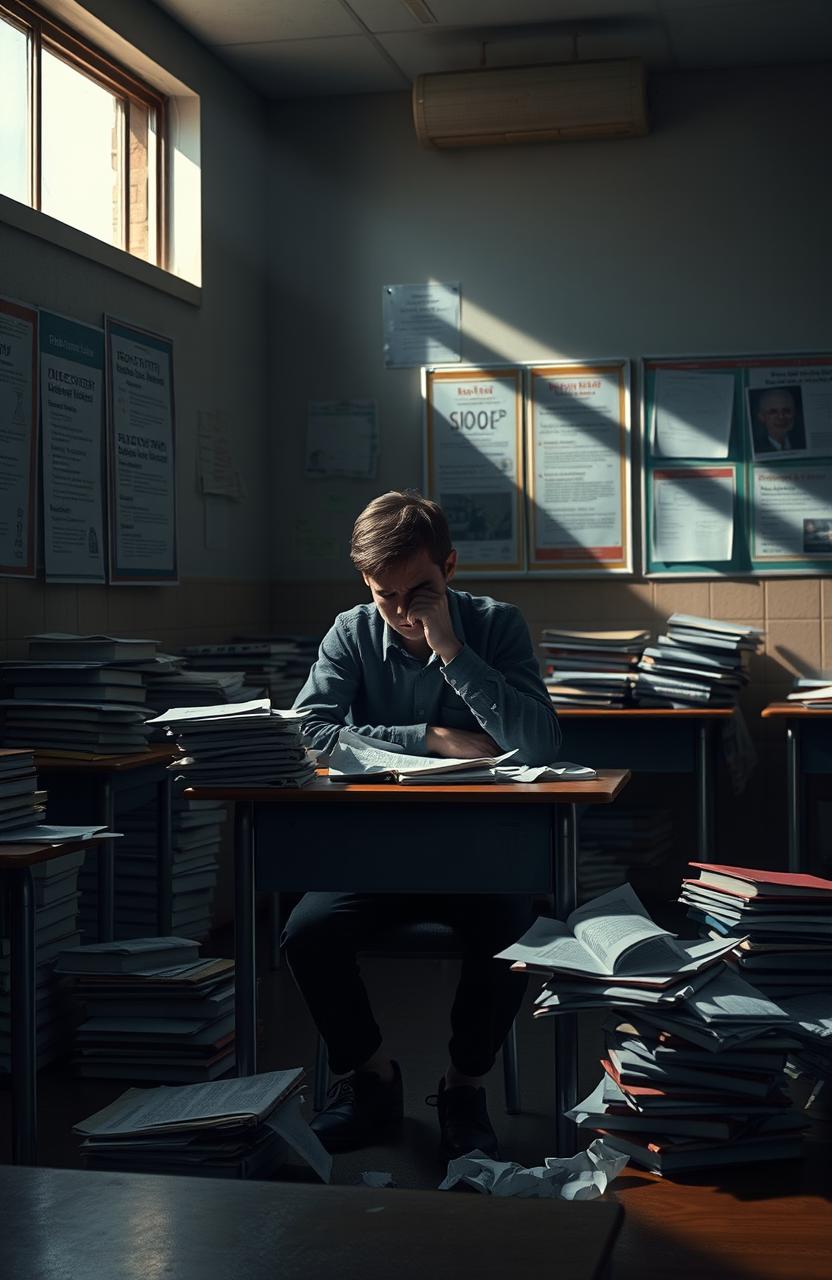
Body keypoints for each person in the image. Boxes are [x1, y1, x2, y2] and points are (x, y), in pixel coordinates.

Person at [285, 490, 561, 1160]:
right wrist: (430, 736)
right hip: (377, 857)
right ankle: (373, 1082)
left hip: (477, 858)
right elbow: (311, 736)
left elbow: (541, 743)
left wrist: (450, 650)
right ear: (364, 584)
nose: (405, 611)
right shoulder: (351, 631)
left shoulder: (496, 624)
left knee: (516, 933)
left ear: (451, 567)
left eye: (422, 590)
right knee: (306, 934)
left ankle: (464, 1088)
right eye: (386, 594)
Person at [751, 387, 806, 453]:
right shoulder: (756, 448)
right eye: (773, 412)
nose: (781, 417)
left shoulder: (802, 443)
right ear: (762, 417)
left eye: (786, 411)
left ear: (794, 413)